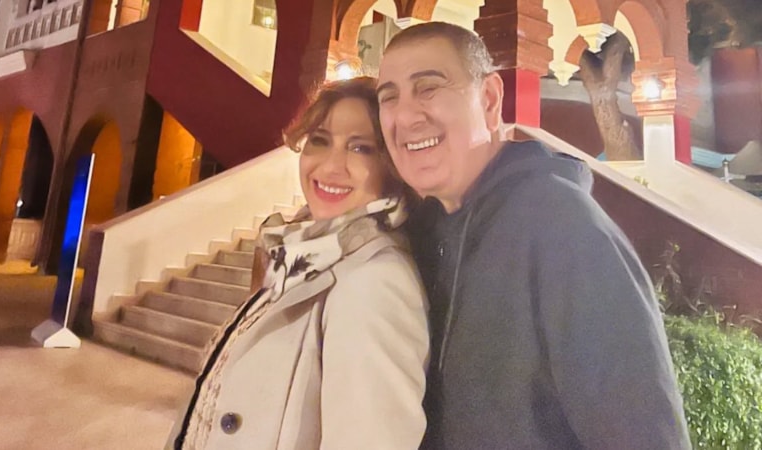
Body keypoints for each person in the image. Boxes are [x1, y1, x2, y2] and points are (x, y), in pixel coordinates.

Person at [376, 22, 691, 449]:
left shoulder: (563, 227)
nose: (405, 116)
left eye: (428, 88)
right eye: (389, 97)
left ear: (489, 99)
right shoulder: (422, 236)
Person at [169, 77, 429, 450]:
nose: (331, 165)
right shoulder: (298, 254)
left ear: (392, 166)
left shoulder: (375, 282)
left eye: (360, 148)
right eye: (320, 140)